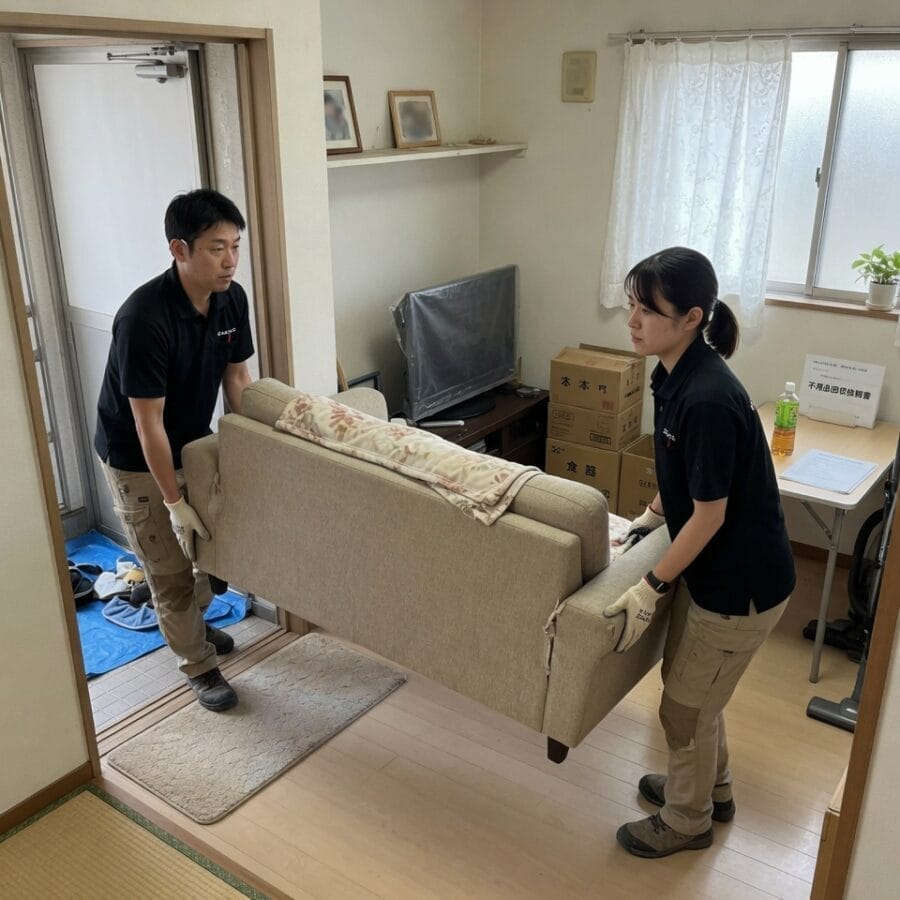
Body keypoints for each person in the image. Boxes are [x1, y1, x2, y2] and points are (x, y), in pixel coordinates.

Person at [602, 247, 796, 858]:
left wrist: (651, 585)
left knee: (685, 707)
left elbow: (710, 515)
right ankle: (714, 787)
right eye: (631, 305)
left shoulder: (708, 397)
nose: (632, 320)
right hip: (715, 570)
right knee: (695, 689)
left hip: (739, 586)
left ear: (691, 317)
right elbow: (685, 472)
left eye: (647, 310)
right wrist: (652, 515)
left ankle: (688, 821)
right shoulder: (674, 372)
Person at [95, 189, 254, 712]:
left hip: (193, 440)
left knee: (207, 550)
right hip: (136, 454)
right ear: (179, 249)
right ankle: (198, 665)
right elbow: (148, 425)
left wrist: (247, 456)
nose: (230, 260)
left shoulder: (231, 299)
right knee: (169, 570)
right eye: (216, 248)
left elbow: (238, 380)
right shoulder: (143, 318)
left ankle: (194, 624)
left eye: (235, 246)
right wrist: (172, 500)